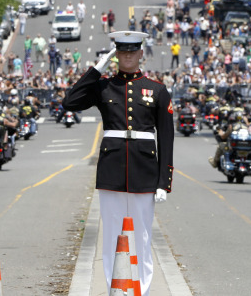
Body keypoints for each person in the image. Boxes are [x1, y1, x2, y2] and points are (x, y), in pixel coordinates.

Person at [61, 30, 174, 296]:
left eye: (132, 52)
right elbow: (70, 102)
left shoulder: (157, 90)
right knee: (112, 233)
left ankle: (142, 290)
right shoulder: (104, 86)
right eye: (122, 52)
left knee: (143, 236)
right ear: (116, 55)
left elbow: (166, 138)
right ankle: (116, 288)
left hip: (144, 170)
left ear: (141, 54)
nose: (127, 57)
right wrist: (96, 69)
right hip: (112, 168)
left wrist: (163, 181)